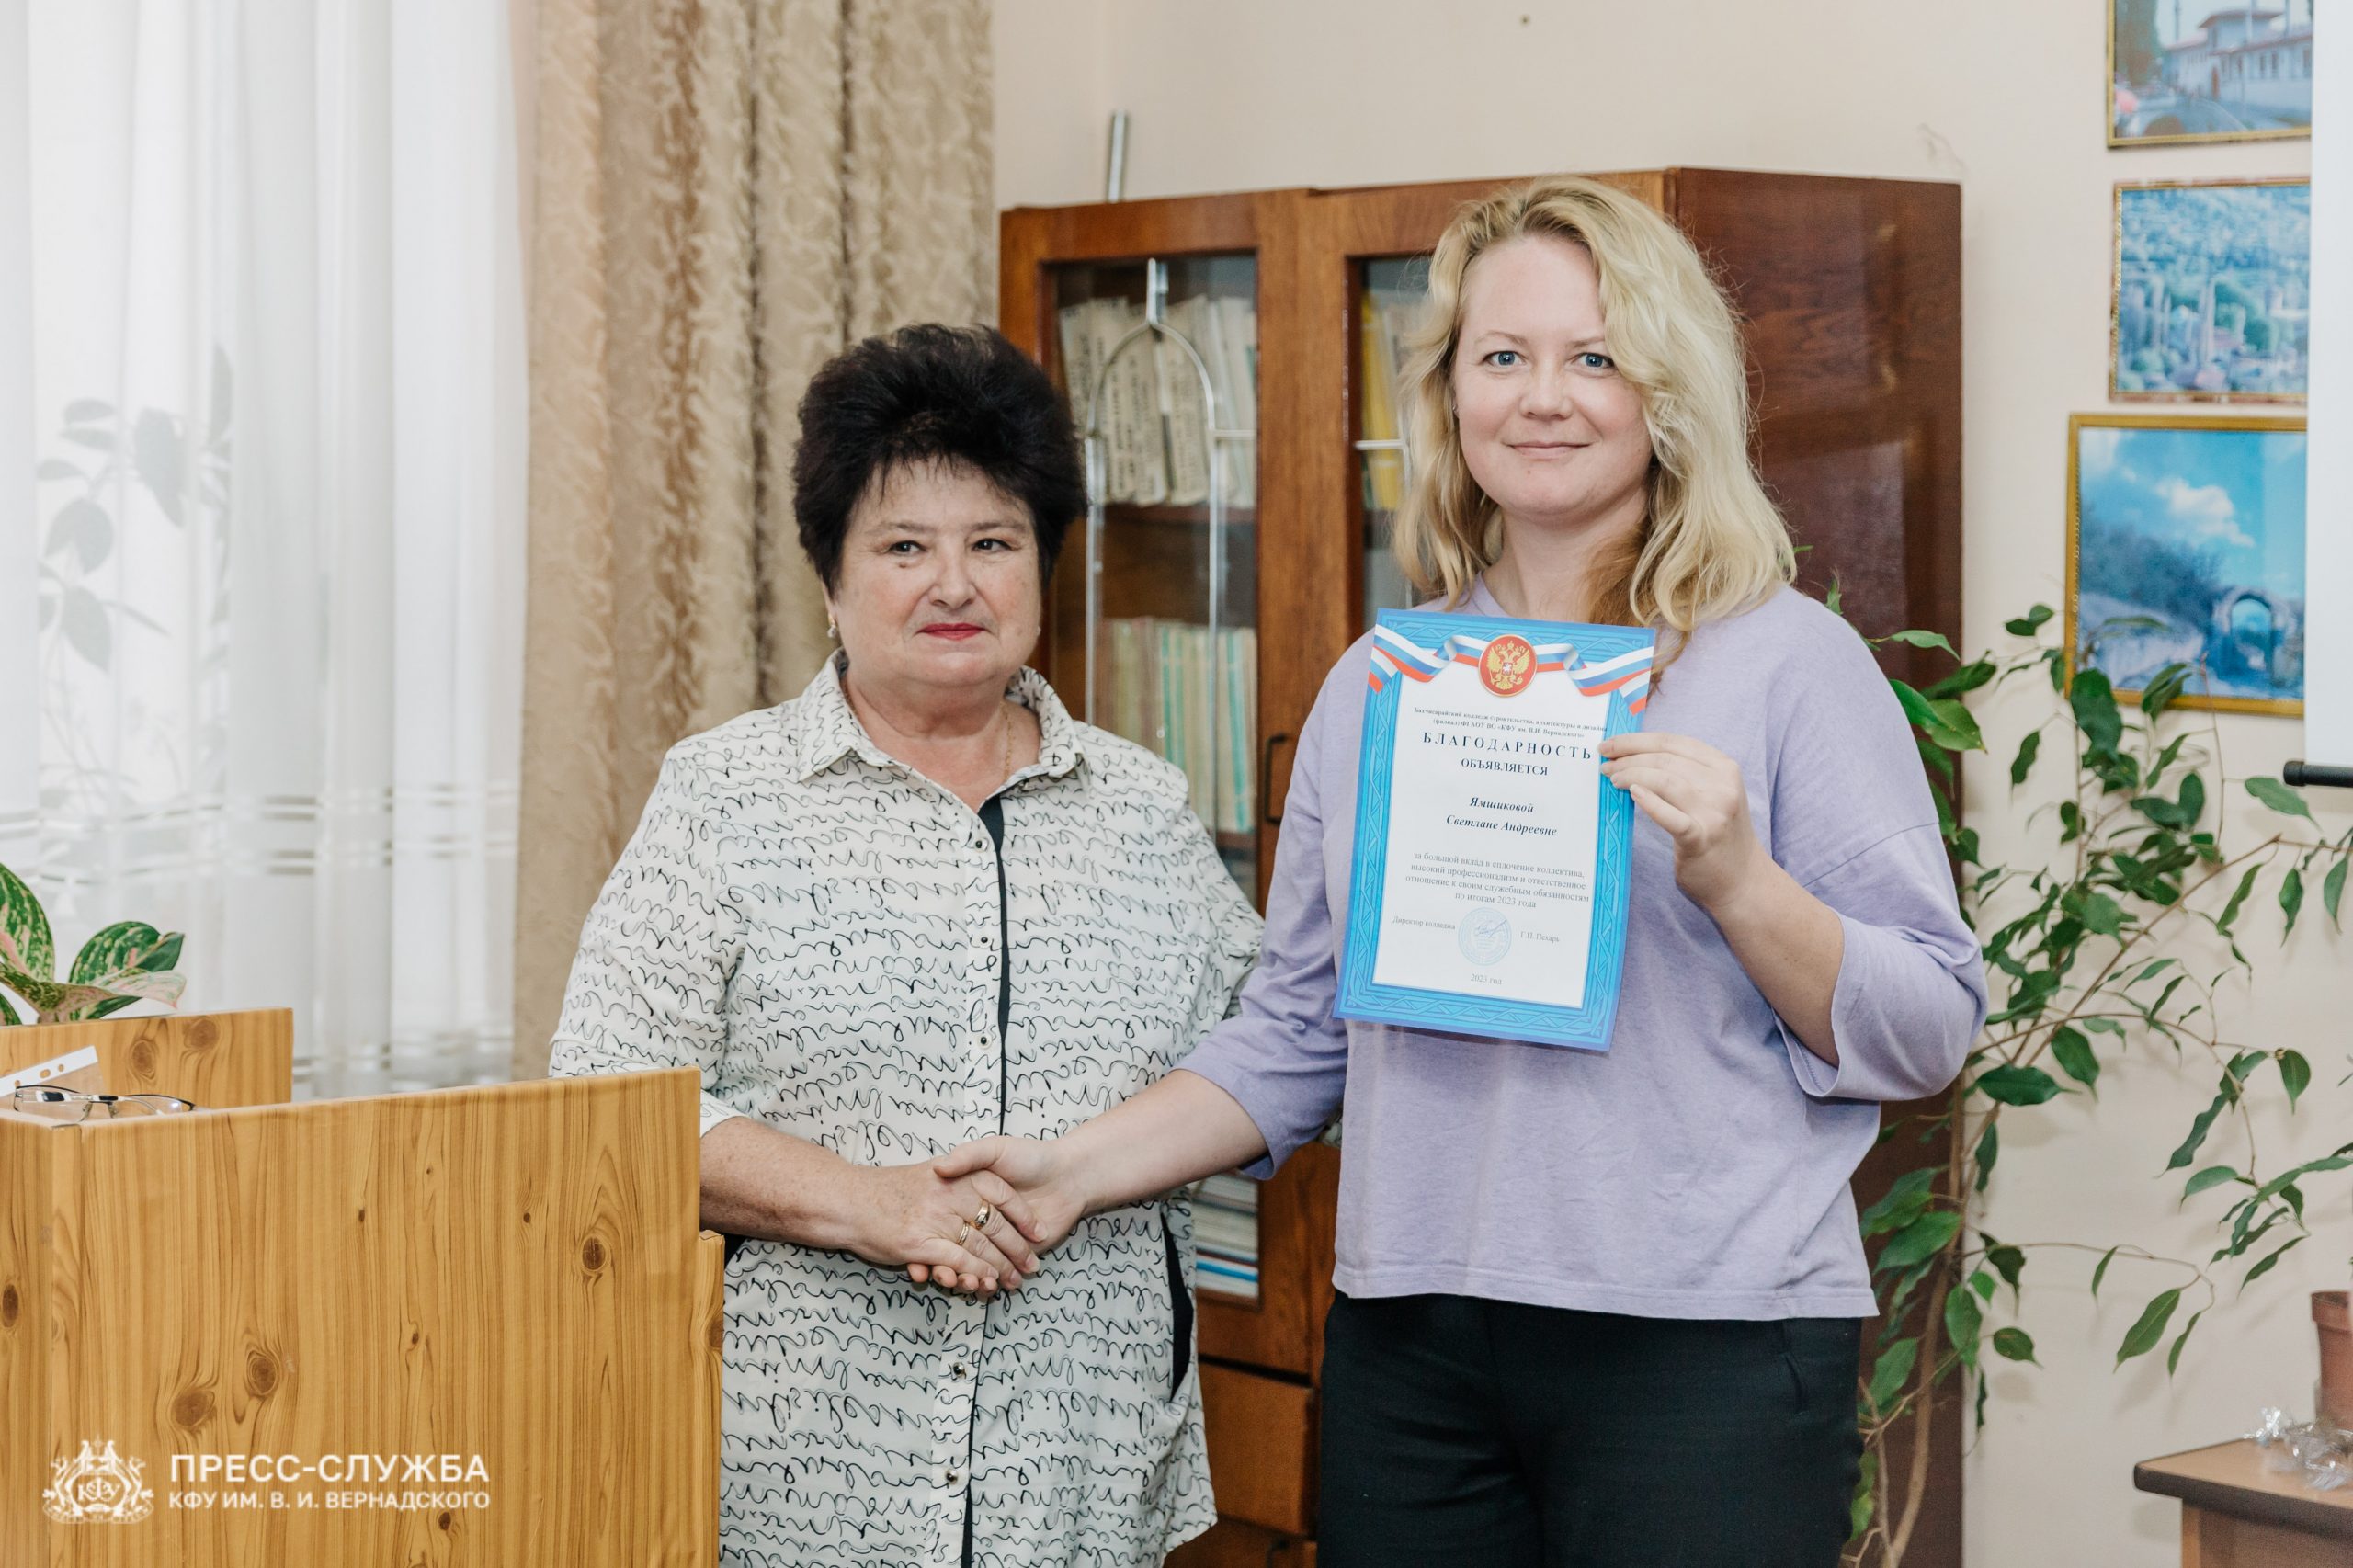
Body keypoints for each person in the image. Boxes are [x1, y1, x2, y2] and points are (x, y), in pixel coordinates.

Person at [936, 177, 1989, 1568]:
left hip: (1706, 1349)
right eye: (1503, 356)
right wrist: (1069, 1173)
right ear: (1449, 396)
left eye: (1594, 357)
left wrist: (1741, 879)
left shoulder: (1789, 662)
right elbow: (1295, 1035)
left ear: (1666, 390)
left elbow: (1930, 1026)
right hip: (1415, 1352)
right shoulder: (1384, 686)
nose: (1544, 398)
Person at [549, 324, 1259, 1566]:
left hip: (1082, 1474)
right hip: (802, 1481)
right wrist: (874, 1207)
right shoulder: (726, 796)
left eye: (994, 542)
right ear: (830, 581)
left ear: (1043, 567)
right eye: (903, 547)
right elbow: (606, 1094)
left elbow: (1272, 1051)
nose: (954, 584)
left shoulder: (1142, 806)